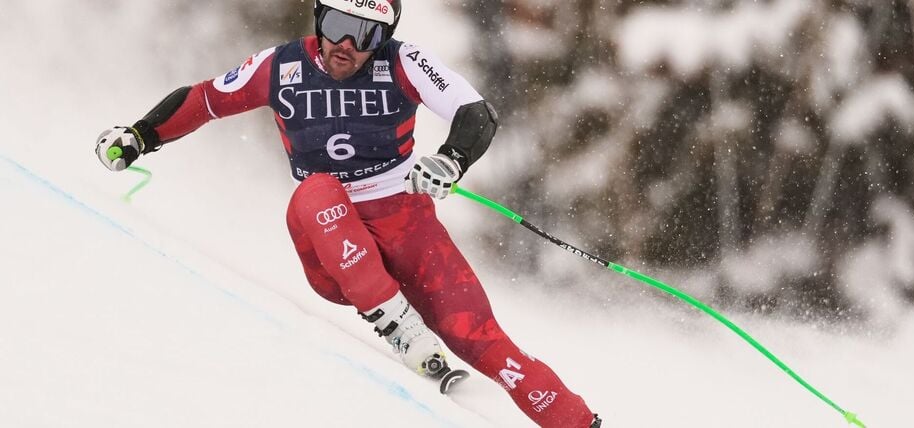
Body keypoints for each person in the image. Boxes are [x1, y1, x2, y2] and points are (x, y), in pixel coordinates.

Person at [94, 1, 600, 426]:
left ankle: (578, 421)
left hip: (405, 220)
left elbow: (475, 112)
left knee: (481, 337)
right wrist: (140, 135)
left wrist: (451, 158)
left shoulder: (403, 62)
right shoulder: (281, 66)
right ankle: (395, 322)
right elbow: (205, 99)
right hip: (329, 242)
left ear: (385, 36)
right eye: (337, 27)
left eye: (365, 34)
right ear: (318, 19)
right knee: (318, 190)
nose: (347, 45)